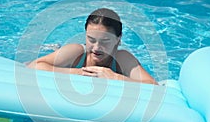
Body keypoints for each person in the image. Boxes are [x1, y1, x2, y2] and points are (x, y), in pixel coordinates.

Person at [27, 8, 157, 84]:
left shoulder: (121, 59)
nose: (96, 47)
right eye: (91, 39)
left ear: (118, 39)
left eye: (105, 41)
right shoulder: (76, 53)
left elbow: (152, 86)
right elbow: (34, 66)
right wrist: (79, 73)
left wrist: (114, 77)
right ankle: (54, 47)